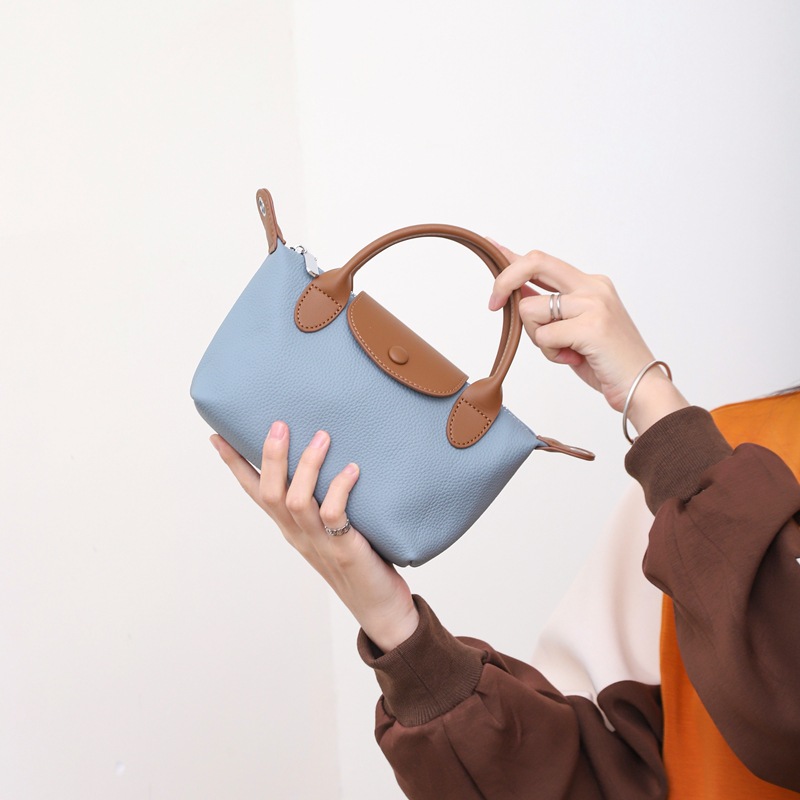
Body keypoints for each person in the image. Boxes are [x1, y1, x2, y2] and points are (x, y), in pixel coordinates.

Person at [209, 246, 800, 799]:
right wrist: (394, 624)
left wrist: (652, 399)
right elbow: (597, 779)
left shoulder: (703, 466)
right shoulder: (728, 456)